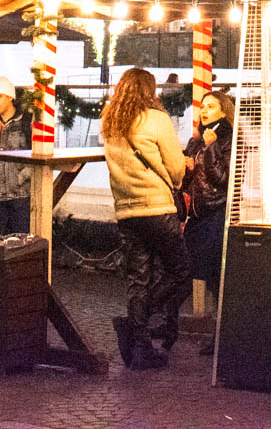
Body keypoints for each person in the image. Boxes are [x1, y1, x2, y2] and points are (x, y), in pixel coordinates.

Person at [102, 67, 191, 371]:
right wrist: (176, 181)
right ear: (148, 90)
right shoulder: (156, 119)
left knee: (137, 279)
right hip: (157, 209)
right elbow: (176, 167)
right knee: (181, 272)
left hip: (126, 211)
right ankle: (134, 323)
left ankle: (140, 349)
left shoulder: (110, 120)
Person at [182, 92, 234, 305]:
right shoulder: (195, 142)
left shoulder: (230, 140)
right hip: (196, 212)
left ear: (223, 112)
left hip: (216, 210)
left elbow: (224, 178)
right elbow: (185, 183)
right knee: (186, 266)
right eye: (202, 106)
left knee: (210, 269)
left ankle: (217, 321)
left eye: (211, 107)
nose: (204, 111)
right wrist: (185, 168)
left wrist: (212, 148)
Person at [0, 78, 30, 233]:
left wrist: (23, 176)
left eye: (0, 97)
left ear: (10, 97)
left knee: (20, 244)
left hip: (20, 195)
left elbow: (34, 151)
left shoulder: (25, 121)